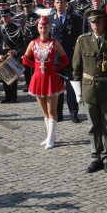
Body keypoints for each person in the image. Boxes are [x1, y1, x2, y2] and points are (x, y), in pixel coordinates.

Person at [70, 10, 107, 174]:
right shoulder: (83, 41)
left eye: (99, 22)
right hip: (89, 89)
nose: (96, 25)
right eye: (93, 23)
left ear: (104, 23)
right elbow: (76, 69)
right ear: (90, 24)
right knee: (93, 126)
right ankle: (96, 157)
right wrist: (78, 93)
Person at [22, 17, 70, 149]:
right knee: (44, 111)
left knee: (52, 110)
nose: (43, 30)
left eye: (45, 27)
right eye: (41, 27)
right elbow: (25, 60)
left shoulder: (54, 43)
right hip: (38, 79)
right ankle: (50, 135)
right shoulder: (33, 43)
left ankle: (51, 138)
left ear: (49, 28)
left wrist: (55, 68)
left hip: (51, 79)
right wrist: (36, 66)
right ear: (38, 28)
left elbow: (65, 60)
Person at [0, 8, 23, 103]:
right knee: (4, 77)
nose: (5, 18)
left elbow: (20, 43)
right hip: (2, 55)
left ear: (10, 17)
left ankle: (14, 96)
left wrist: (15, 51)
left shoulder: (16, 28)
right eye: (3, 16)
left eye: (6, 16)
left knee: (13, 77)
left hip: (12, 55)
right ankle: (7, 96)